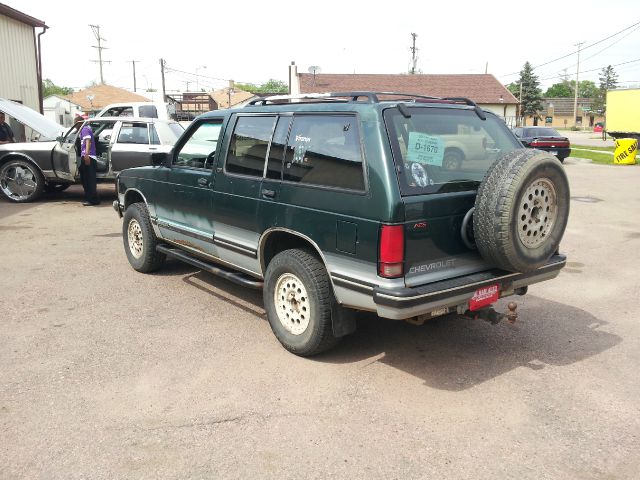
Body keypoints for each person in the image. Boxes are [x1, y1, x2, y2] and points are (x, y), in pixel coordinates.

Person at [77, 118, 100, 206]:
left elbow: (88, 141)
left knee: (89, 180)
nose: (76, 128)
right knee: (86, 179)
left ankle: (92, 200)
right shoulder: (86, 129)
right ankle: (93, 199)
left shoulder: (85, 129)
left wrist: (86, 154)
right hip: (87, 156)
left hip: (88, 156)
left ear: (79, 124)